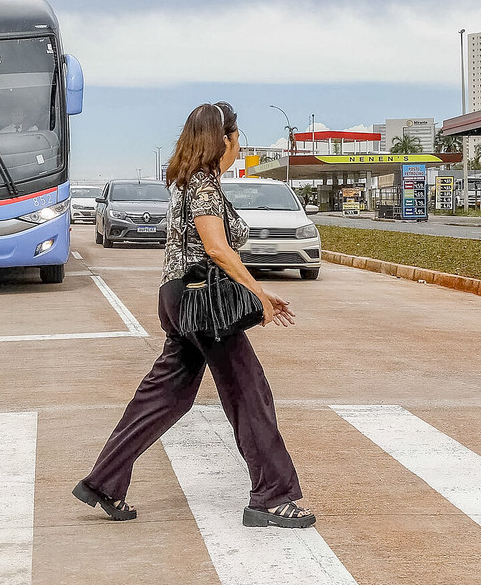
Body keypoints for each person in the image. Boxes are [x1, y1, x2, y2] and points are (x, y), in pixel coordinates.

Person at [73, 102, 314, 529]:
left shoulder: (189, 181)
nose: (239, 145)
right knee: (248, 392)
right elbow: (217, 249)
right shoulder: (203, 185)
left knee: (164, 395)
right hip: (203, 304)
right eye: (237, 137)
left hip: (181, 298)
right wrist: (258, 295)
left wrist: (256, 289)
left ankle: (104, 482)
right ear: (223, 139)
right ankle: (272, 496)